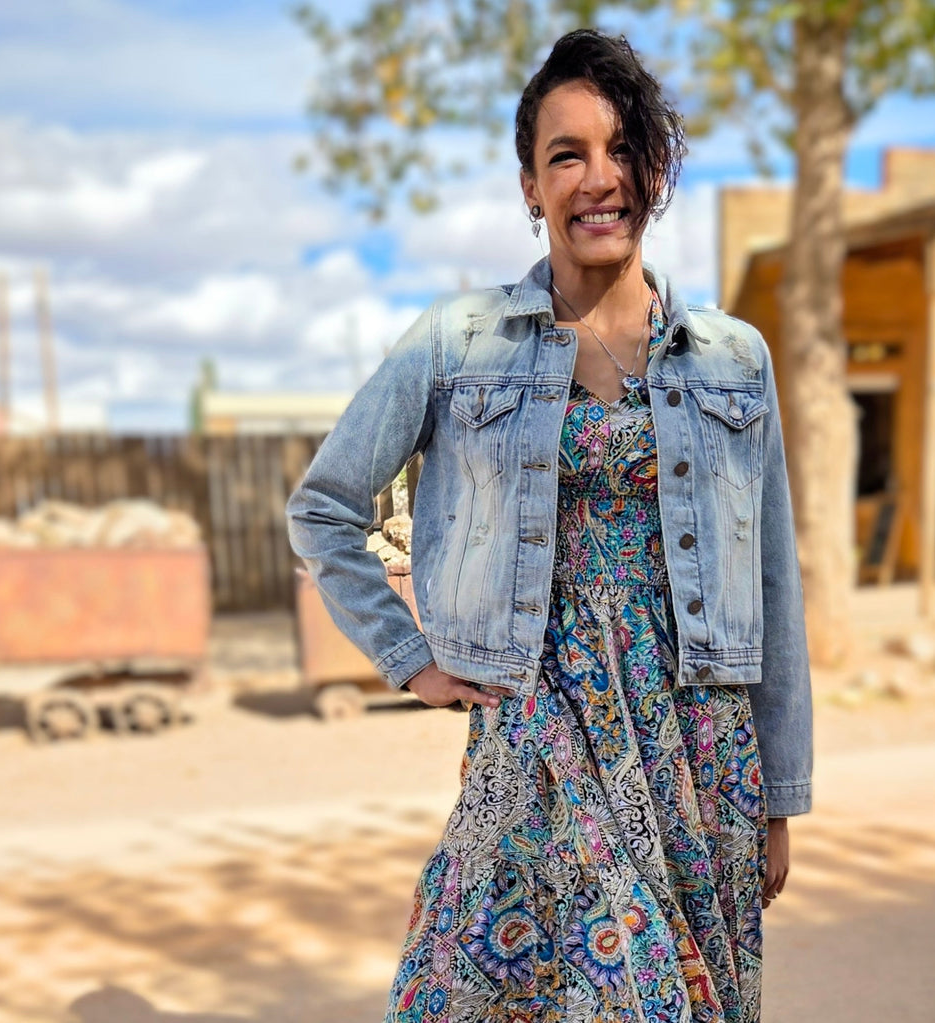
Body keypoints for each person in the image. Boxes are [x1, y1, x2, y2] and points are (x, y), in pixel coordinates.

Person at [286, 27, 812, 1023]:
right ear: (530, 186)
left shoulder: (732, 357)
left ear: (654, 173)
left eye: (621, 150)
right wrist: (409, 657)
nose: (596, 178)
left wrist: (778, 794)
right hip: (531, 734)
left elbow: (772, 582)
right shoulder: (459, 342)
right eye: (565, 154)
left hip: (701, 749)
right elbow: (325, 507)